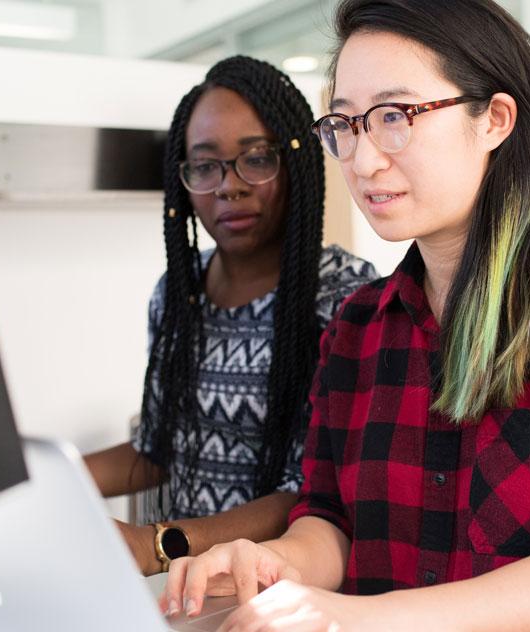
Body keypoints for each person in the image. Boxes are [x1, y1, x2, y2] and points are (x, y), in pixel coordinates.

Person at [161, 2, 530, 630]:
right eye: (346, 124)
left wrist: (361, 618)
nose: (363, 160)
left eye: (396, 117)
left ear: (496, 120)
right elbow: (331, 520)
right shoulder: (358, 324)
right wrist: (275, 564)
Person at [84, 55, 377, 576]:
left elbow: (313, 491)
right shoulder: (178, 293)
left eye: (256, 158)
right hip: (187, 590)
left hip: (285, 587)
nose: (229, 185)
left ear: (296, 164)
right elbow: (158, 448)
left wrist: (158, 544)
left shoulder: (344, 298)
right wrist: (44, 478)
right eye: (205, 165)